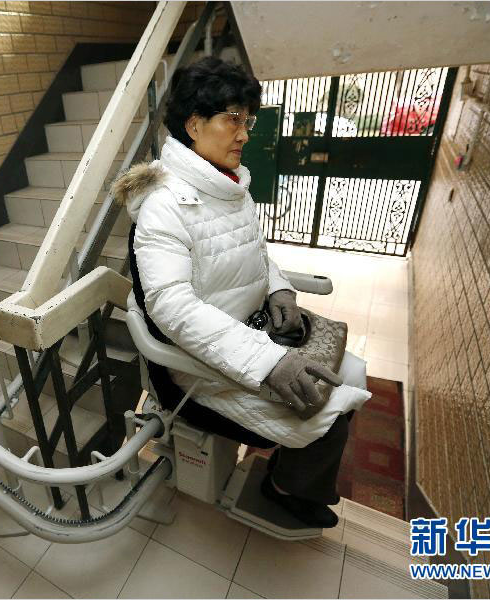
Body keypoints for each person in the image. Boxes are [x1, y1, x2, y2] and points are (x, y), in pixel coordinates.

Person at [112, 56, 367, 529]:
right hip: (198, 367)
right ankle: (284, 488)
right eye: (233, 119)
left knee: (352, 370)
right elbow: (171, 308)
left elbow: (254, 253)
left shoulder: (230, 187)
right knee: (330, 413)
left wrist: (280, 293)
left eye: (247, 120)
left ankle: (289, 478)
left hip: (250, 331)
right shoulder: (164, 207)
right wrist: (268, 362)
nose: (245, 133)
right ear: (193, 124)